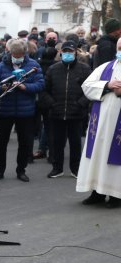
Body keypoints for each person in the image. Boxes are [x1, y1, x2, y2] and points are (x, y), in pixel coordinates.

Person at [76, 37, 121, 207]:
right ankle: (97, 192)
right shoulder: (105, 67)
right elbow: (87, 86)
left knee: (116, 159)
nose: (120, 50)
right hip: (100, 122)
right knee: (97, 154)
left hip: (118, 125)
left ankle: (116, 195)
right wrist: (108, 85)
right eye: (119, 47)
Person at [0, 39, 44, 182]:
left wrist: (25, 87)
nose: (17, 56)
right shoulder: (2, 66)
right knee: (1, 142)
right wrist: (2, 88)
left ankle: (21, 170)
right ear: (9, 52)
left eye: (20, 54)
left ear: (25, 53)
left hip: (25, 112)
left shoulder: (33, 65)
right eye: (15, 54)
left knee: (24, 142)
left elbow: (40, 85)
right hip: (5, 110)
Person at [40, 41, 90, 179]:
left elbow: (90, 90)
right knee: (57, 143)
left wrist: (80, 104)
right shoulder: (53, 69)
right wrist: (52, 104)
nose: (68, 54)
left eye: (71, 51)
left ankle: (75, 169)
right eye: (65, 51)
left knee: (75, 143)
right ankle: (57, 168)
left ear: (75, 52)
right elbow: (44, 90)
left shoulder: (84, 69)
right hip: (57, 112)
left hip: (76, 113)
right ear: (61, 52)